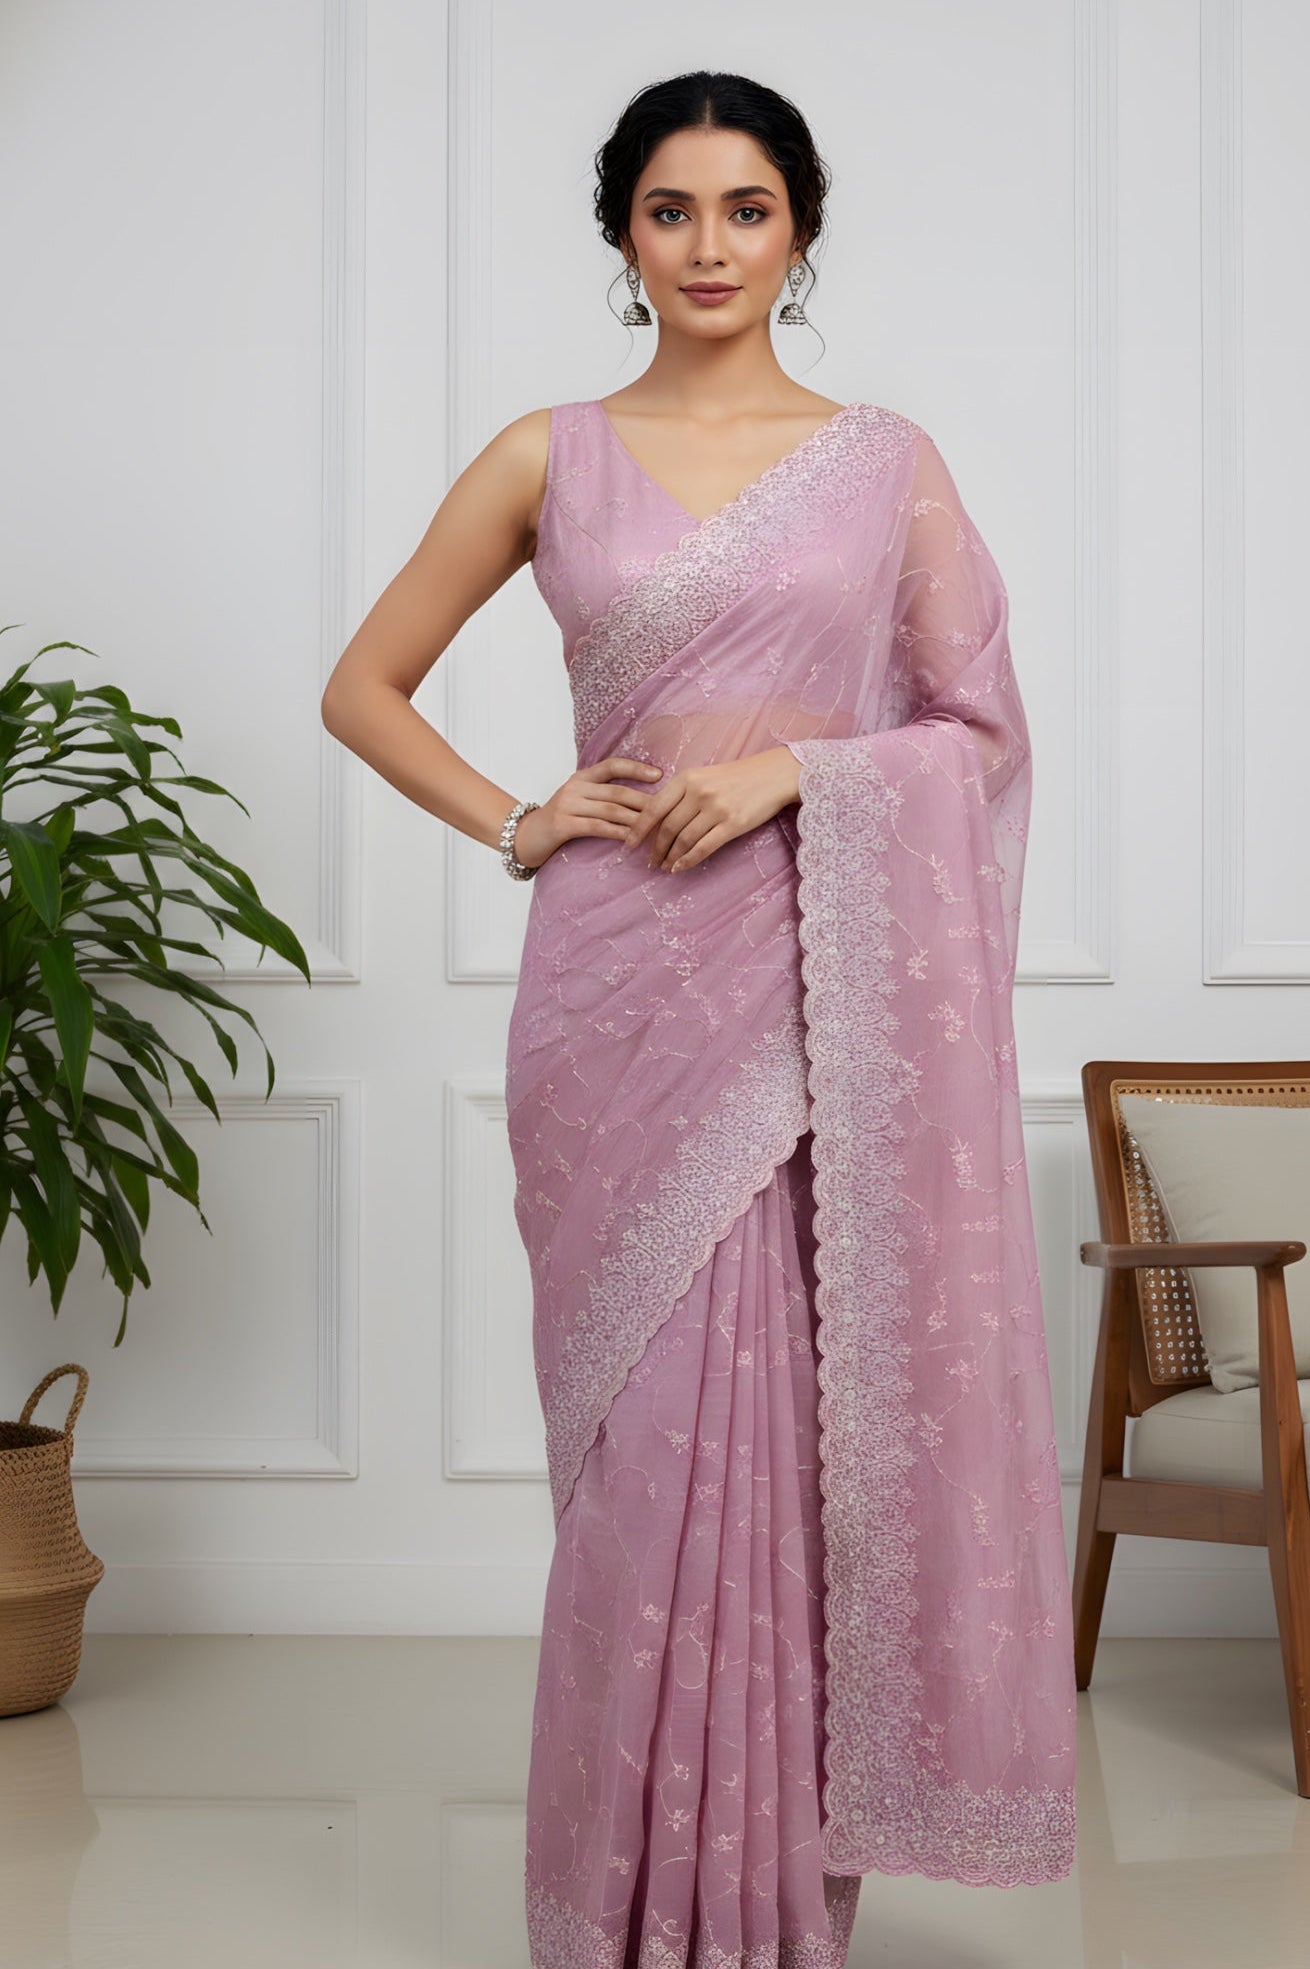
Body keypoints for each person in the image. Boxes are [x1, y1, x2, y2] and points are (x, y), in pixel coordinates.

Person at [322, 66, 1077, 1969]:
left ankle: (771, 1909)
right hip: (611, 1001)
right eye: (672, 210)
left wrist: (799, 778)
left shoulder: (884, 460)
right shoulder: (540, 454)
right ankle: (619, 1911)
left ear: (801, 230)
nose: (710, 245)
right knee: (642, 1460)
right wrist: (517, 813)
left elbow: (975, 736)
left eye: (747, 209)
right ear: (622, 237)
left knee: (793, 1453)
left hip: (815, 999)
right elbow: (365, 683)